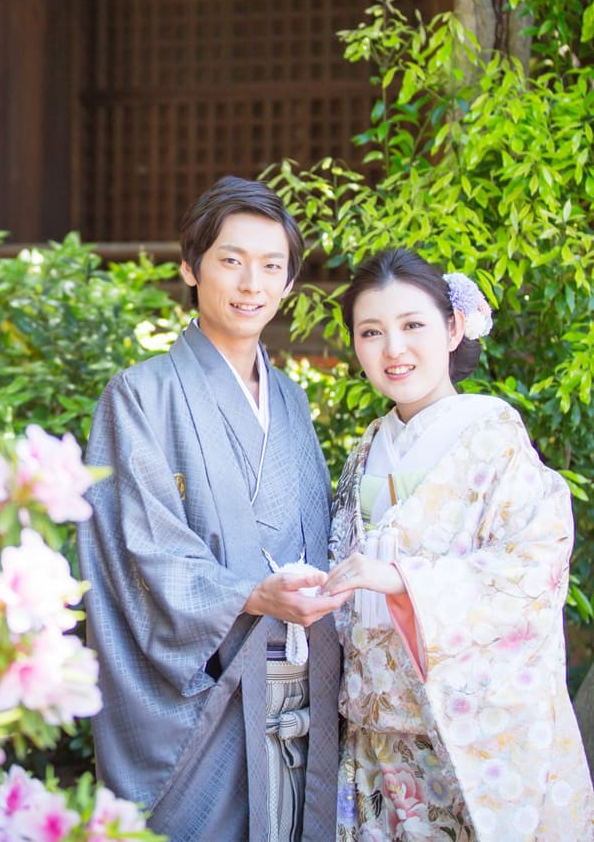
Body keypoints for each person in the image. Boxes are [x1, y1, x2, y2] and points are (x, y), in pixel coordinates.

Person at [77, 175, 347, 842]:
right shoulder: (139, 396)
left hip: (299, 691)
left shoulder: (291, 402)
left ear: (288, 286)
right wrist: (252, 594)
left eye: (272, 266)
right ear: (190, 267)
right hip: (211, 695)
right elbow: (142, 549)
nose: (252, 282)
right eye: (231, 260)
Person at [324, 246, 594, 842]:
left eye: (413, 325)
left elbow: (534, 566)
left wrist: (402, 579)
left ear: (452, 328)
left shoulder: (493, 438)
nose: (394, 349)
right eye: (372, 332)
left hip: (461, 737)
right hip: (372, 735)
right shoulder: (367, 449)